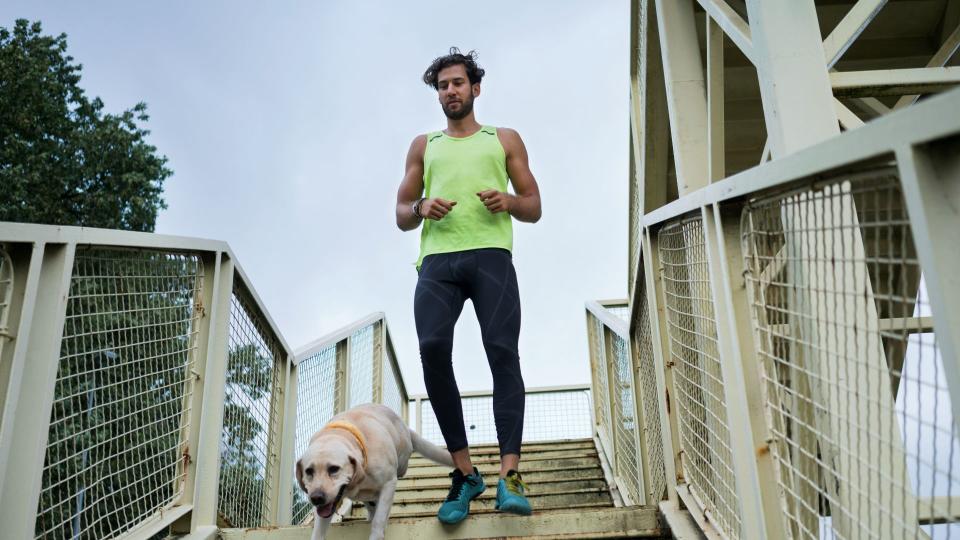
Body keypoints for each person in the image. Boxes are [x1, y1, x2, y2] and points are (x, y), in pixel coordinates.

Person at [395, 47, 542, 524]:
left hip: (491, 258)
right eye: (442, 86)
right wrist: (421, 208)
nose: (450, 91)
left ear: (475, 88)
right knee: (432, 347)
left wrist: (508, 200)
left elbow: (534, 205)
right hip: (437, 261)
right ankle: (465, 474)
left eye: (457, 83)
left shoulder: (504, 139)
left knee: (502, 351)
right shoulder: (425, 144)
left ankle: (510, 475)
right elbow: (400, 213)